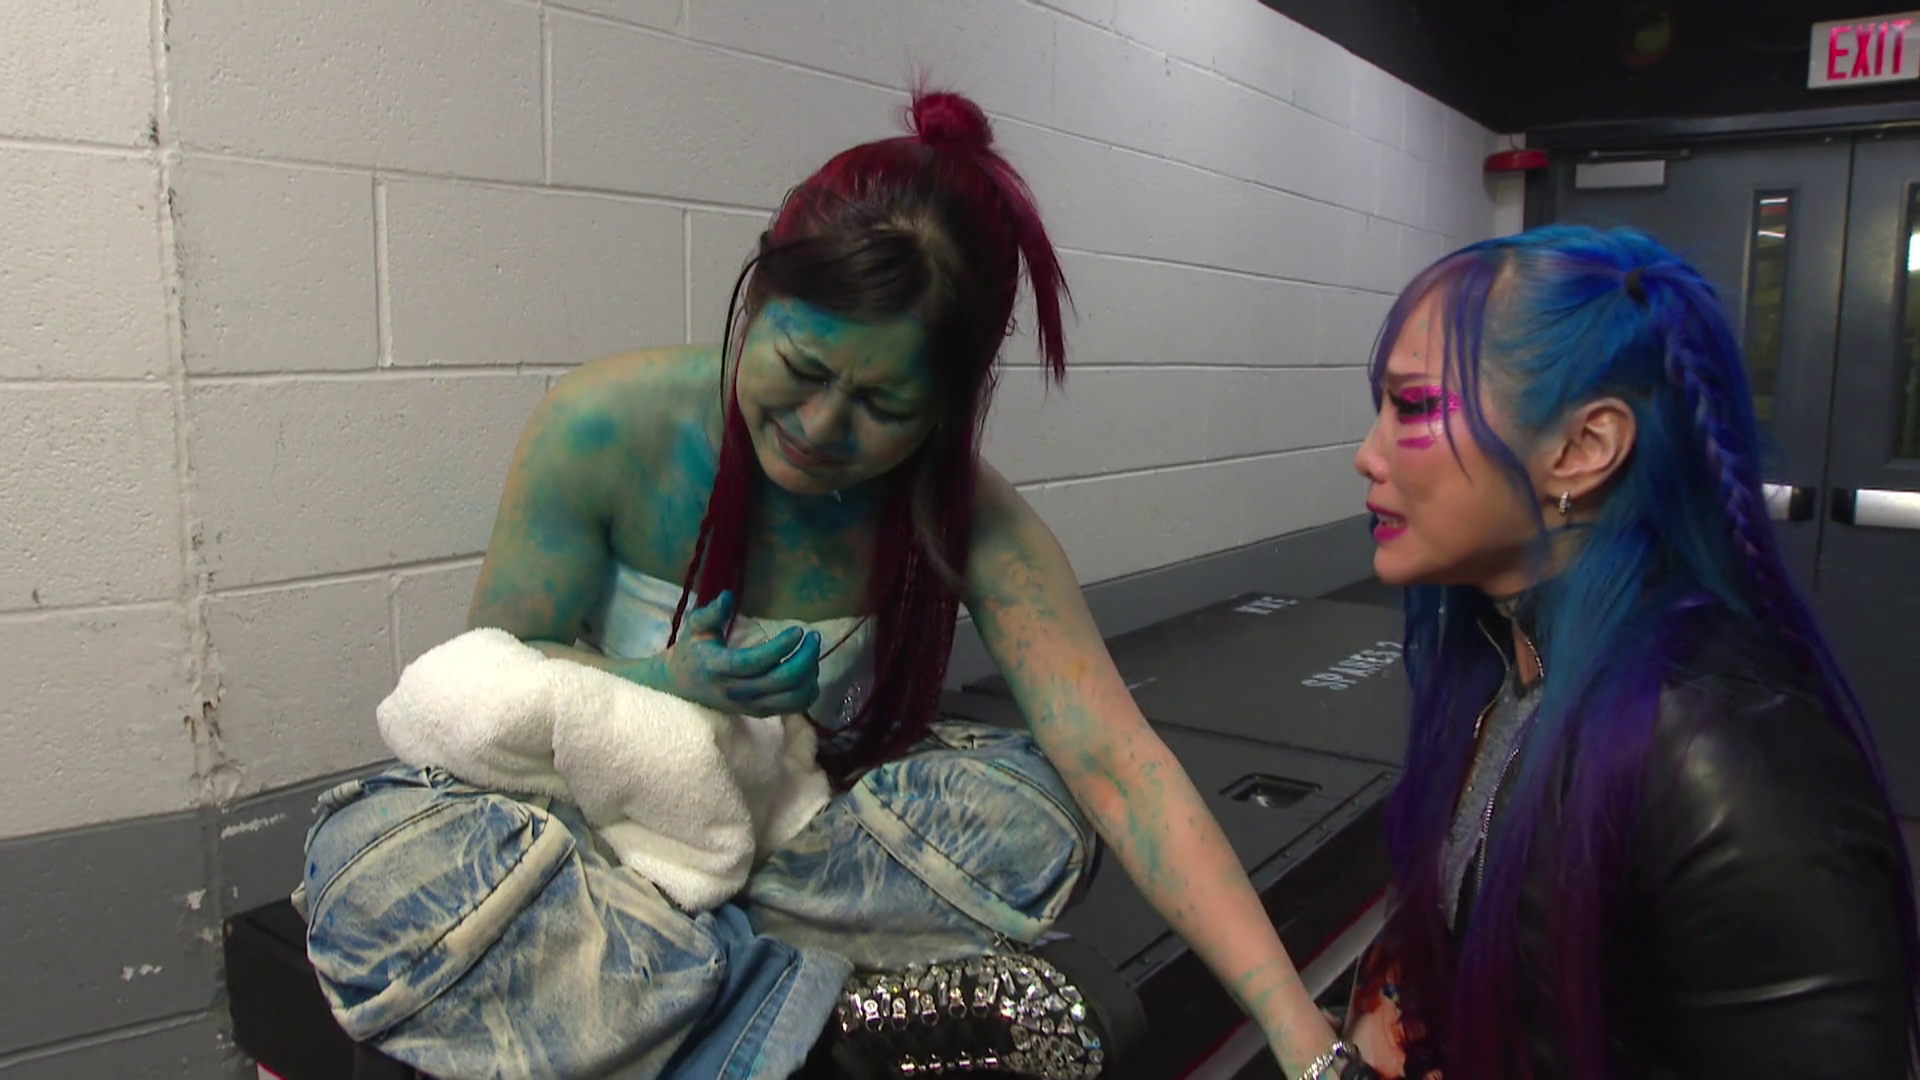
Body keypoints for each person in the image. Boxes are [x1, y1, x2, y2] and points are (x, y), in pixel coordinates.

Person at [294, 89, 1337, 1080]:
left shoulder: (966, 513)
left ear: (948, 405)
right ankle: (790, 1005)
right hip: (578, 851)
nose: (822, 427)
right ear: (760, 298)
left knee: (1038, 810)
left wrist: (1307, 1042)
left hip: (783, 852)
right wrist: (660, 684)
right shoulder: (604, 423)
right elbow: (493, 689)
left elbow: (1119, 764)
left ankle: (667, 998)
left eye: (883, 406)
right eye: (801, 369)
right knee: (369, 873)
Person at [1326, 223, 1920, 1079]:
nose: (1366, 456)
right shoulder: (1510, 659)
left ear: (1583, 449)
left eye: (1413, 407)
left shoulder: (1724, 753)